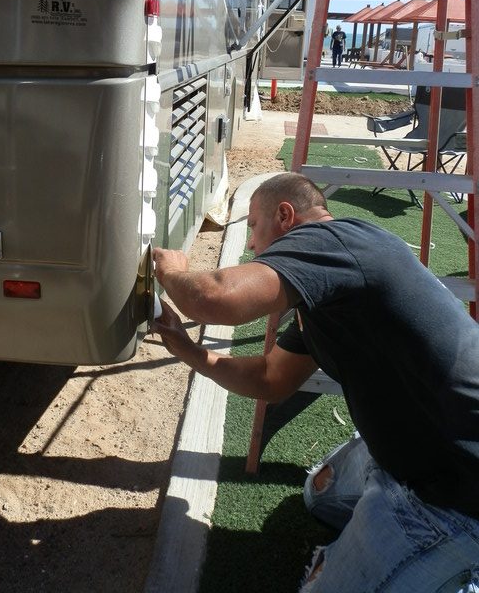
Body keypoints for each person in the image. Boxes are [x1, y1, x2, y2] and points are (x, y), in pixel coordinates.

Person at [152, 172, 479, 592]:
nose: (251, 244)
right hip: (412, 444)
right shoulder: (329, 286)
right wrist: (191, 352)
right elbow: (272, 379)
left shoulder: (332, 241)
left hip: (455, 486)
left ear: (285, 216)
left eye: (254, 226)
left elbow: (213, 297)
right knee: (318, 496)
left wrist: (173, 272)